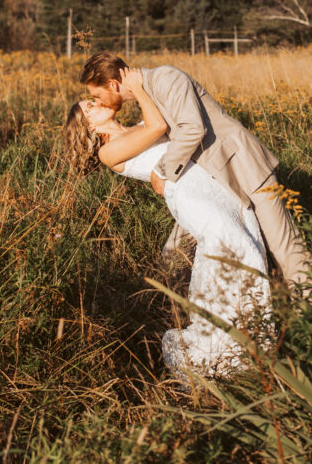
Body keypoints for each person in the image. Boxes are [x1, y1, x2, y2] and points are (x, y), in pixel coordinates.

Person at [64, 67, 270, 382]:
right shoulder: (108, 152)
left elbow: (162, 124)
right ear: (89, 125)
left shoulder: (133, 127)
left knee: (243, 243)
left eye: (91, 100)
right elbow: (159, 124)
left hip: (209, 185)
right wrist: (138, 87)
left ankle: (248, 336)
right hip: (187, 193)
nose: (94, 104)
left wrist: (136, 89)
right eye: (88, 108)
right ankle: (219, 348)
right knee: (232, 247)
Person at [79, 52, 312, 294]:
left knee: (283, 246)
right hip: (213, 182)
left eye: (96, 95)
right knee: (175, 253)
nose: (99, 102)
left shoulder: (165, 78)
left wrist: (160, 172)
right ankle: (185, 309)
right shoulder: (146, 96)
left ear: (112, 84)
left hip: (242, 164)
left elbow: (193, 128)